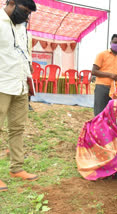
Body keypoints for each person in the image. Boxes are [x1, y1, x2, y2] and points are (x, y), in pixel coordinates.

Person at [0, 0, 38, 192]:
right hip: (2, 84)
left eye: (29, 13)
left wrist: (29, 80)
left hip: (20, 85)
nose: (27, 16)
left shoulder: (22, 29)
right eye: (25, 11)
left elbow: (25, 56)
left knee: (17, 128)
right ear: (11, 2)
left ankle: (16, 169)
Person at [76, 99, 117, 185]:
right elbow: (109, 157)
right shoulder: (100, 128)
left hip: (114, 154)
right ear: (110, 113)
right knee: (115, 157)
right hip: (97, 158)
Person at [92, 34, 117, 116]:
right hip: (102, 87)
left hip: (115, 89)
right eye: (115, 42)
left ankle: (108, 129)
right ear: (111, 42)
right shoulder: (102, 55)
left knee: (112, 113)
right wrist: (110, 75)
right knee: (99, 112)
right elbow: (94, 71)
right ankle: (97, 128)